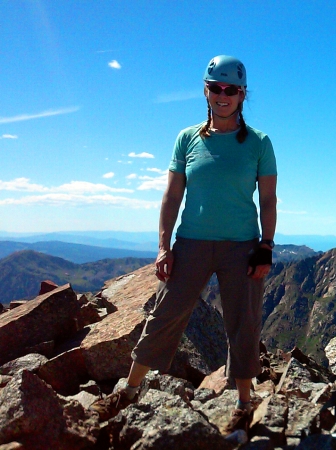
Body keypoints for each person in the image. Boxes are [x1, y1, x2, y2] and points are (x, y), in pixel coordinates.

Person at [91, 55, 278, 435]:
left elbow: (269, 199)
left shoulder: (259, 142)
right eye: (215, 88)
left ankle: (243, 403)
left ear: (243, 94)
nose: (222, 95)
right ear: (205, 90)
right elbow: (171, 196)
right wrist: (164, 246)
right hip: (190, 242)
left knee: (243, 323)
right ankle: (128, 390)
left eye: (230, 89)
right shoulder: (187, 138)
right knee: (165, 313)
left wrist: (266, 245)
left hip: (241, 246)